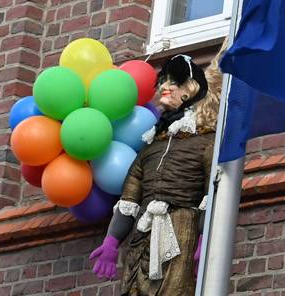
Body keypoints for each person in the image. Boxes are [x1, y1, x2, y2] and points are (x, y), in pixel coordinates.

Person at [89, 55, 218, 294]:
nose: (165, 87)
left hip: (181, 233)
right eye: (163, 81)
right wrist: (111, 241)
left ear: (190, 89)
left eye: (174, 82)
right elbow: (129, 199)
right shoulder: (150, 146)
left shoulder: (207, 142)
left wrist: (205, 239)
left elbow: (213, 194)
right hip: (142, 238)